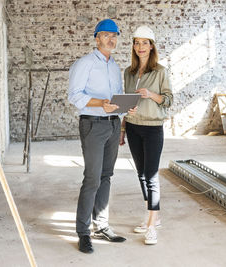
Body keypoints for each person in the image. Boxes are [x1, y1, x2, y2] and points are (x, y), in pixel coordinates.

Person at [68, 18, 137, 254]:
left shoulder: (114, 65)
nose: (111, 39)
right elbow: (75, 96)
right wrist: (102, 104)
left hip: (112, 125)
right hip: (93, 125)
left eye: (115, 35)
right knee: (92, 178)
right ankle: (83, 232)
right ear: (97, 38)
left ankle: (102, 226)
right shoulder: (85, 63)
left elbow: (115, 98)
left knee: (107, 175)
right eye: (106, 35)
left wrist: (126, 107)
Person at [120, 25, 173, 245]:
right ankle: (153, 215)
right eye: (137, 42)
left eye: (145, 43)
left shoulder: (160, 71)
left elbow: (168, 100)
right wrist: (123, 126)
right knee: (141, 174)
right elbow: (125, 101)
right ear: (133, 46)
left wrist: (151, 95)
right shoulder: (128, 73)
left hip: (152, 128)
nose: (140, 47)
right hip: (133, 127)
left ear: (152, 46)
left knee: (151, 175)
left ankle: (152, 226)